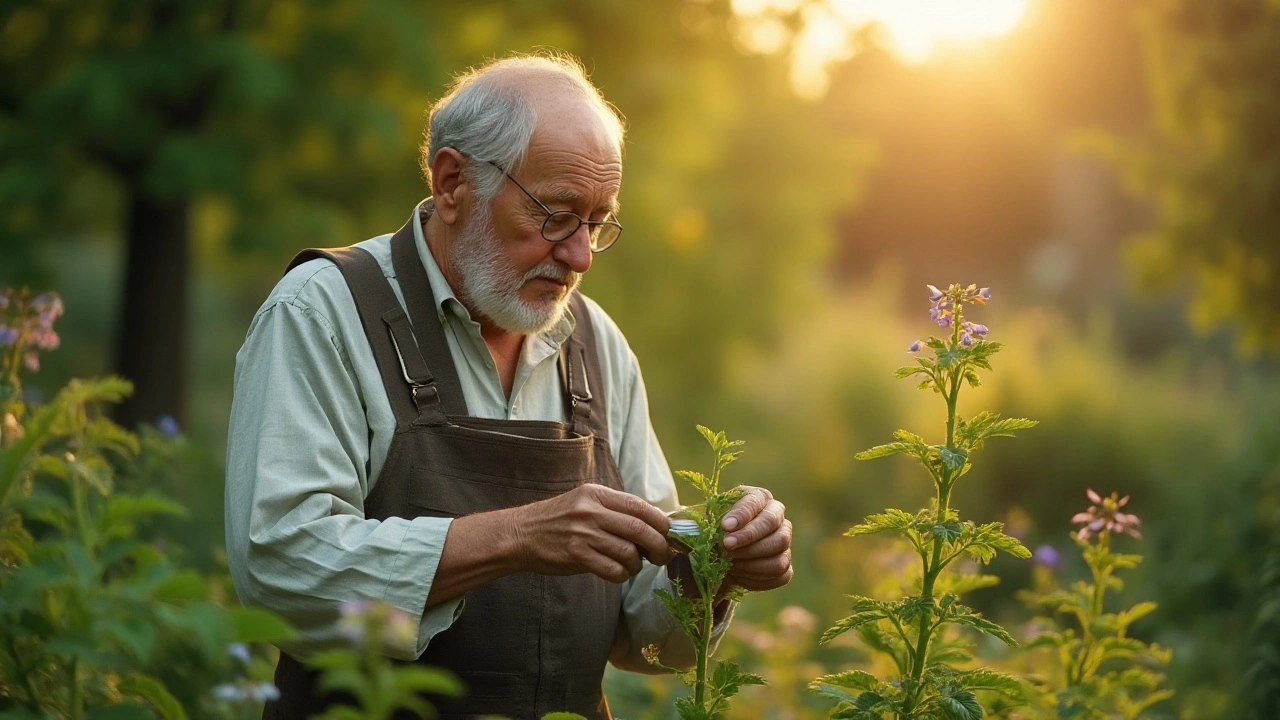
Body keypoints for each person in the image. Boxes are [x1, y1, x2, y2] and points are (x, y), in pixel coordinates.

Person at [224, 52, 793, 720]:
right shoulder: (323, 311)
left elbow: (648, 639)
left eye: (598, 221)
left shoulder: (595, 342)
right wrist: (514, 537)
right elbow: (279, 565)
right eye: (555, 215)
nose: (580, 255)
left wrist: (711, 570)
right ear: (452, 182)